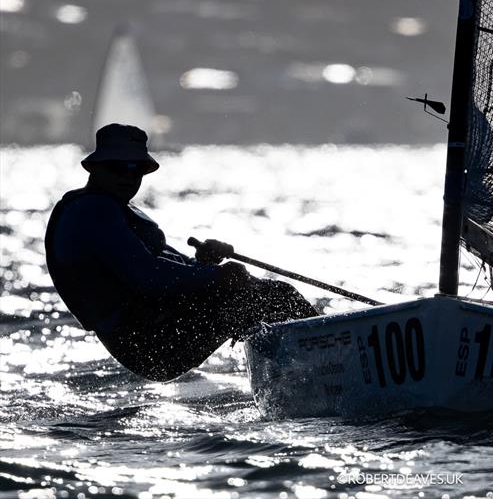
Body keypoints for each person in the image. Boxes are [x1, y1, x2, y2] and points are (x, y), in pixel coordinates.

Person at [44, 124, 318, 381]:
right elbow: (148, 278)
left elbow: (169, 267)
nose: (128, 176)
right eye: (118, 167)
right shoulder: (92, 211)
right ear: (96, 168)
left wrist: (203, 262)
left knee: (268, 297)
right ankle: (325, 366)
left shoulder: (113, 209)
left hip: (161, 326)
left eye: (136, 168)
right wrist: (217, 275)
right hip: (148, 344)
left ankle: (298, 375)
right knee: (274, 298)